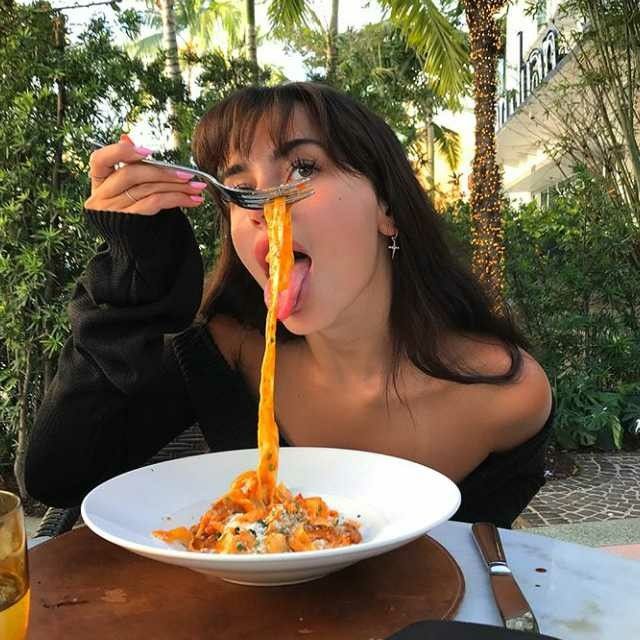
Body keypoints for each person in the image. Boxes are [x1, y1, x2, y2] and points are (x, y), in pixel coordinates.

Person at [25, 82, 553, 528]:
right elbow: (59, 474)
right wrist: (129, 277)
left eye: (302, 168)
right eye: (239, 189)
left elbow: (478, 566)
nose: (264, 206)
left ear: (387, 209)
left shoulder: (504, 396)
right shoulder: (230, 352)